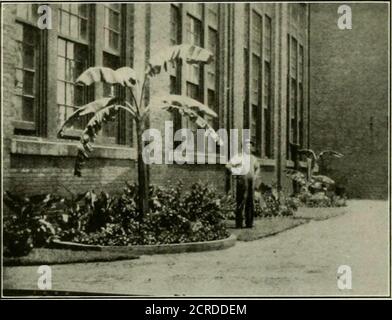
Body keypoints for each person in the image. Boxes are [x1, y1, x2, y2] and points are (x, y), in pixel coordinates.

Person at [226, 138, 260, 228]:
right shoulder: (239, 156)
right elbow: (228, 165)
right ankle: (239, 224)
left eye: (250, 146)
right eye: (247, 146)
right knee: (241, 202)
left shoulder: (253, 158)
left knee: (250, 202)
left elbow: (257, 168)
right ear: (243, 147)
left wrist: (255, 176)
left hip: (251, 182)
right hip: (242, 181)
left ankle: (249, 223)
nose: (248, 148)